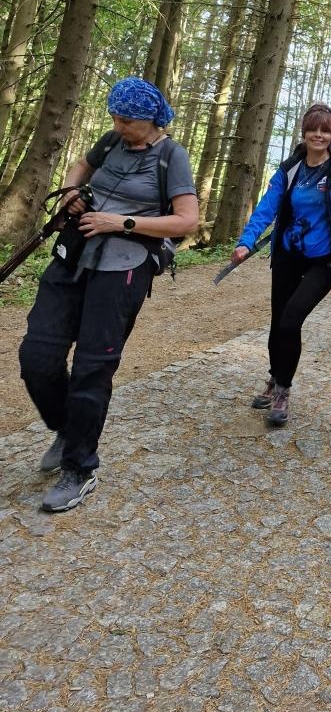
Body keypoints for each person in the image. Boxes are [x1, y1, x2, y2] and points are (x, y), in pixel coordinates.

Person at [19, 77, 199, 513]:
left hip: (123, 269)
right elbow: (80, 167)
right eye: (114, 117)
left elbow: (187, 221)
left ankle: (79, 469)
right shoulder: (109, 140)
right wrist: (75, 195)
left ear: (152, 119)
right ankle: (66, 429)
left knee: (91, 370)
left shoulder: (171, 156)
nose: (118, 125)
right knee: (37, 357)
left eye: (127, 120)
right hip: (74, 256)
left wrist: (121, 223)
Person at [235, 102, 331, 427]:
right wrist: (246, 241)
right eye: (313, 129)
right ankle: (274, 377)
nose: (318, 135)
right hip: (287, 256)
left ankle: (283, 390)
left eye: (325, 130)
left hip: (324, 261)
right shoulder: (290, 167)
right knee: (278, 320)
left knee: (291, 320)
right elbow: (267, 207)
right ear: (304, 132)